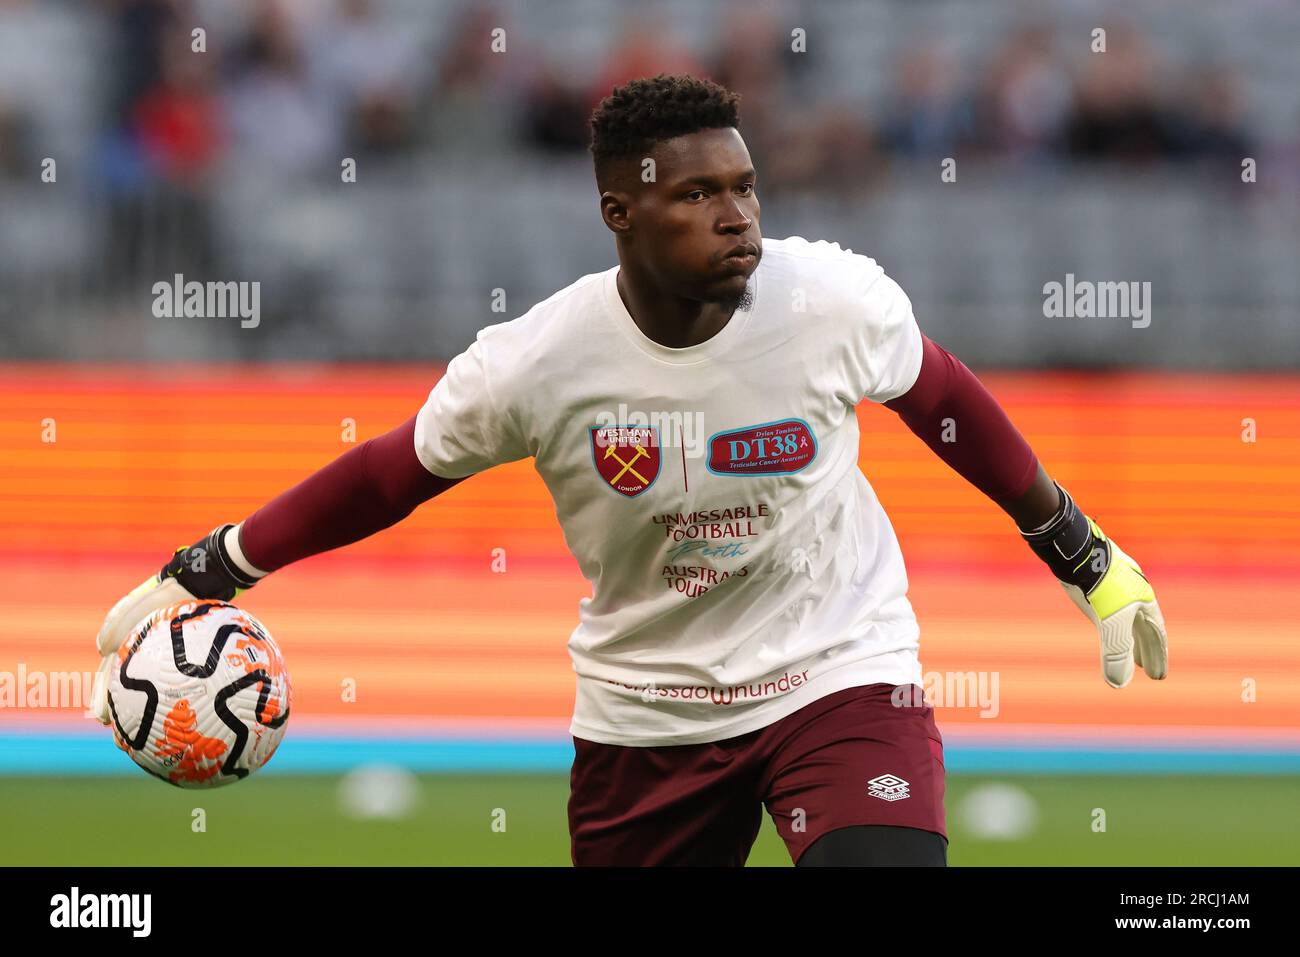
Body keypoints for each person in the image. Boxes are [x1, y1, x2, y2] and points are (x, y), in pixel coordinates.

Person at [91, 74, 1168, 867]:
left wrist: (1088, 559)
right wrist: (211, 569)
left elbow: (945, 405)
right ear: (620, 214)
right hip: (645, 715)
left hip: (838, 669)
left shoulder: (832, 301)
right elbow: (388, 475)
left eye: (744, 187)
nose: (736, 213)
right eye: (697, 195)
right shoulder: (539, 362)